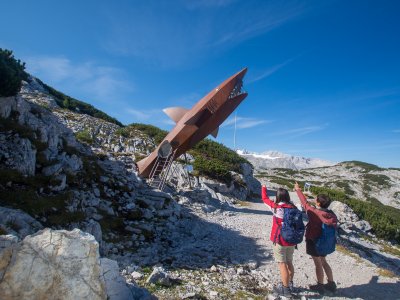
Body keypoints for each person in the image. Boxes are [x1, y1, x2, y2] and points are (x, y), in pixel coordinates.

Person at [294, 182, 338, 293]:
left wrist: (298, 190)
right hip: (326, 242)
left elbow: (304, 203)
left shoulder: (314, 212)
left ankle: (320, 285)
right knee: (323, 261)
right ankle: (331, 284)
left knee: (317, 263)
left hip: (314, 240)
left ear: (318, 202)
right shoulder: (331, 214)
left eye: (316, 199)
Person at [261, 185, 296, 298]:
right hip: (291, 241)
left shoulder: (275, 207)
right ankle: (290, 284)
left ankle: (285, 289)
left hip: (280, 240)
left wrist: (264, 188)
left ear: (278, 197)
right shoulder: (294, 207)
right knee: (289, 262)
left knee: (282, 264)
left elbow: (265, 199)